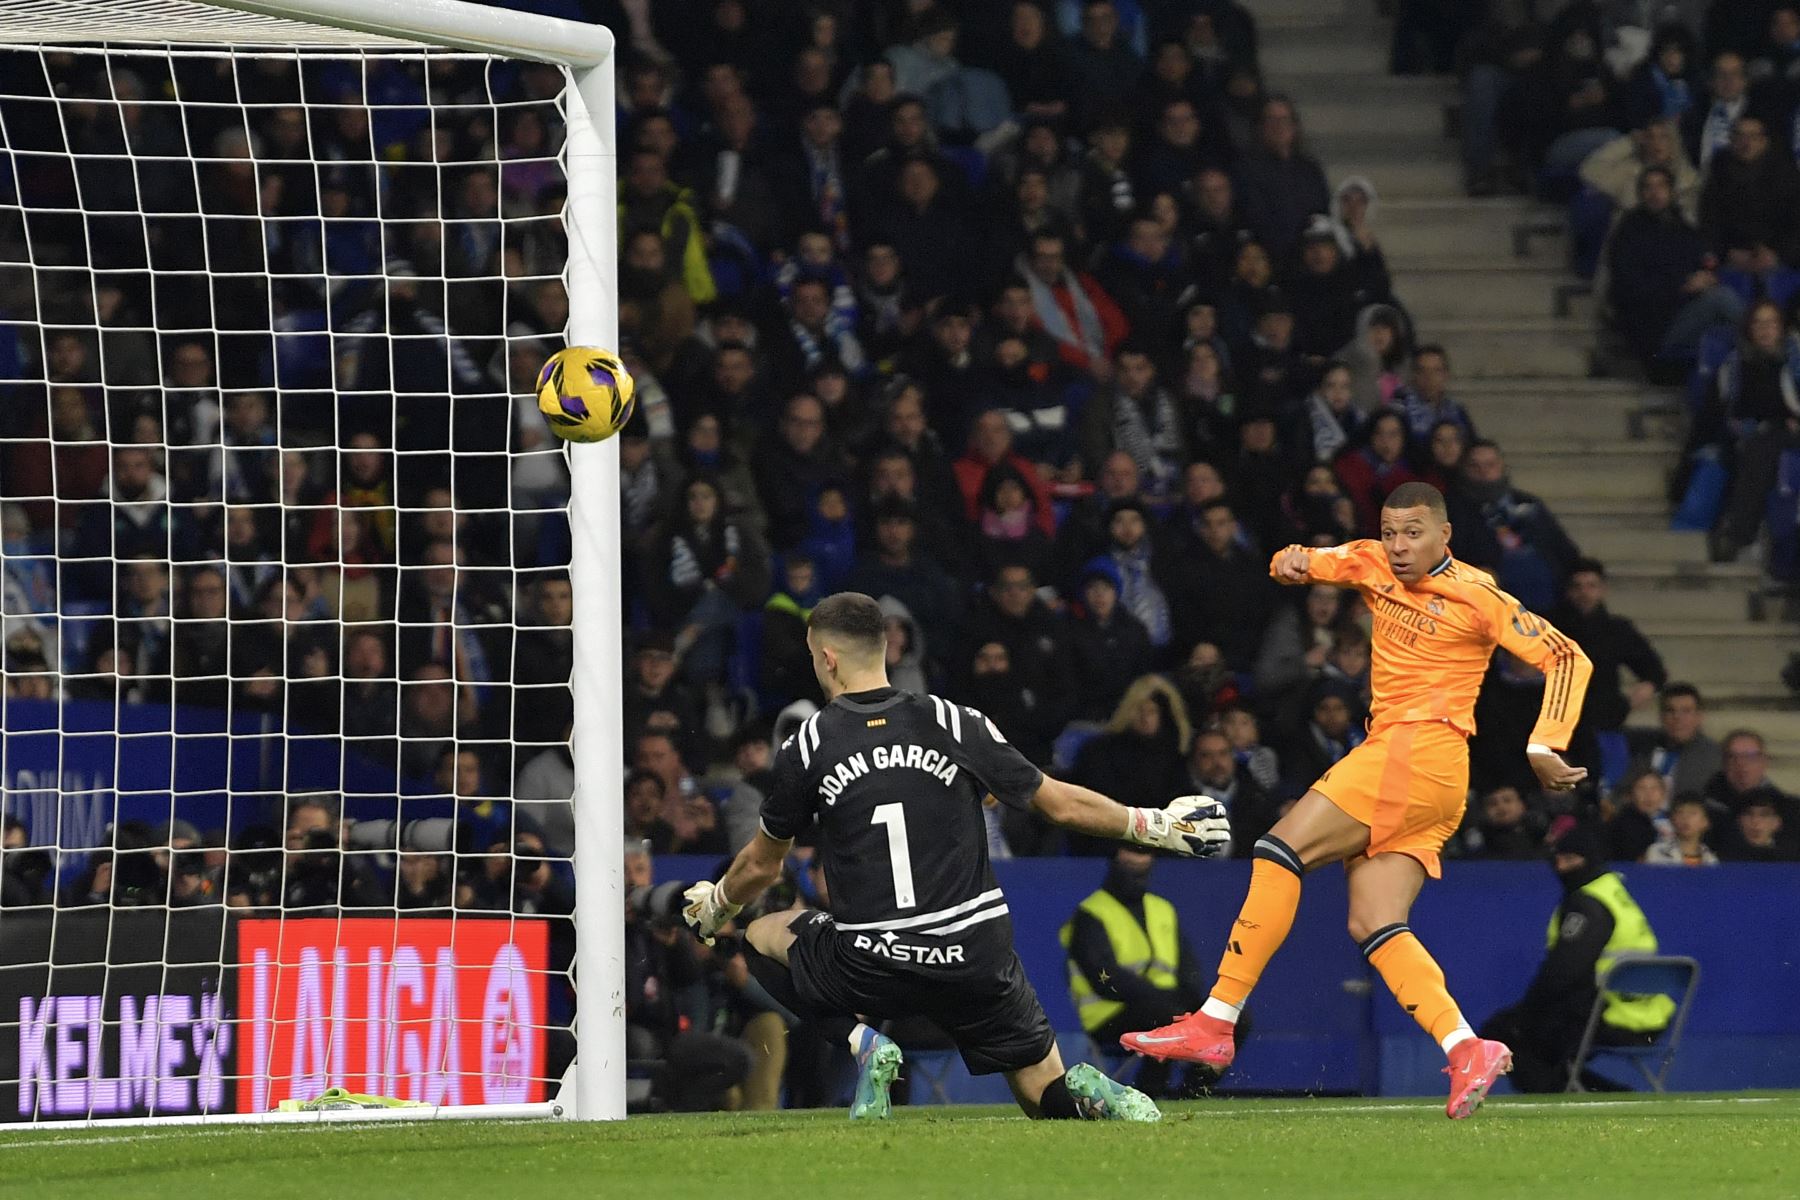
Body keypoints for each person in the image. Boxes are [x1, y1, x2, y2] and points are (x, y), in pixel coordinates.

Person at [1123, 482, 1594, 1121]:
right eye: (1392, 532)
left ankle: (1216, 1019)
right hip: (1431, 777)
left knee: (1277, 848)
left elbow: (1568, 657)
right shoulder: (1373, 560)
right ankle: (1466, 1046)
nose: (1399, 548)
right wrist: (1290, 559)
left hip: (1413, 751)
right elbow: (1312, 559)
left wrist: (1545, 743)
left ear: (1444, 536)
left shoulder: (1479, 595)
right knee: (1373, 923)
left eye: (1413, 534)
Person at [680, 592, 1230, 1122]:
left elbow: (761, 865)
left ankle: (864, 1043)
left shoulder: (810, 743)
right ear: (884, 647)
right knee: (1042, 1096)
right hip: (972, 954)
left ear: (826, 657)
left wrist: (716, 907)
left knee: (760, 936)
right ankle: (1084, 1089)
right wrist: (1154, 824)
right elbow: (1059, 805)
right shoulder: (952, 721)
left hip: (872, 962)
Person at [1477, 824, 1674, 1093]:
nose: (1561, 867)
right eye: (1558, 859)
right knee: (1541, 1039)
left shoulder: (1588, 904)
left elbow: (1563, 972)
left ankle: (1559, 1104)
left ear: (1590, 859)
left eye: (1571, 859)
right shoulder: (1614, 892)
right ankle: (1607, 1095)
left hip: (1610, 1016)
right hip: (1650, 1015)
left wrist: (1527, 1012)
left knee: (1503, 1032)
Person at [1060, 846, 1210, 1099]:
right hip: (1109, 1014)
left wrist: (1195, 1001)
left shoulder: (1163, 909)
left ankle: (1193, 1092)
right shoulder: (1091, 913)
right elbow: (1104, 979)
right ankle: (1148, 1093)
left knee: (1229, 1016)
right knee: (1165, 1016)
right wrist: (1164, 999)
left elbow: (1189, 970)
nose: (1138, 860)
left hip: (1165, 1006)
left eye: (1144, 850)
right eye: (1130, 851)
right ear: (1114, 857)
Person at [1547, 558, 1667, 777]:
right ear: (1568, 591)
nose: (1584, 593)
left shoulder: (1617, 630)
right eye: (1578, 586)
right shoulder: (1549, 628)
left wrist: (1640, 693)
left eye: (1591, 586)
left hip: (1604, 726)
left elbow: (1654, 670)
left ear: (1603, 589)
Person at [1627, 683, 1723, 801]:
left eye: (1686, 711)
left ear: (1699, 716)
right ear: (1661, 716)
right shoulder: (1643, 747)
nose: (1677, 717)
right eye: (1670, 710)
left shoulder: (1714, 757)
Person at [1643, 794, 1720, 866]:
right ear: (1672, 819)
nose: (1685, 818)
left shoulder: (1711, 860)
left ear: (1705, 822)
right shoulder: (1657, 851)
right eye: (1680, 812)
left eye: (1692, 813)